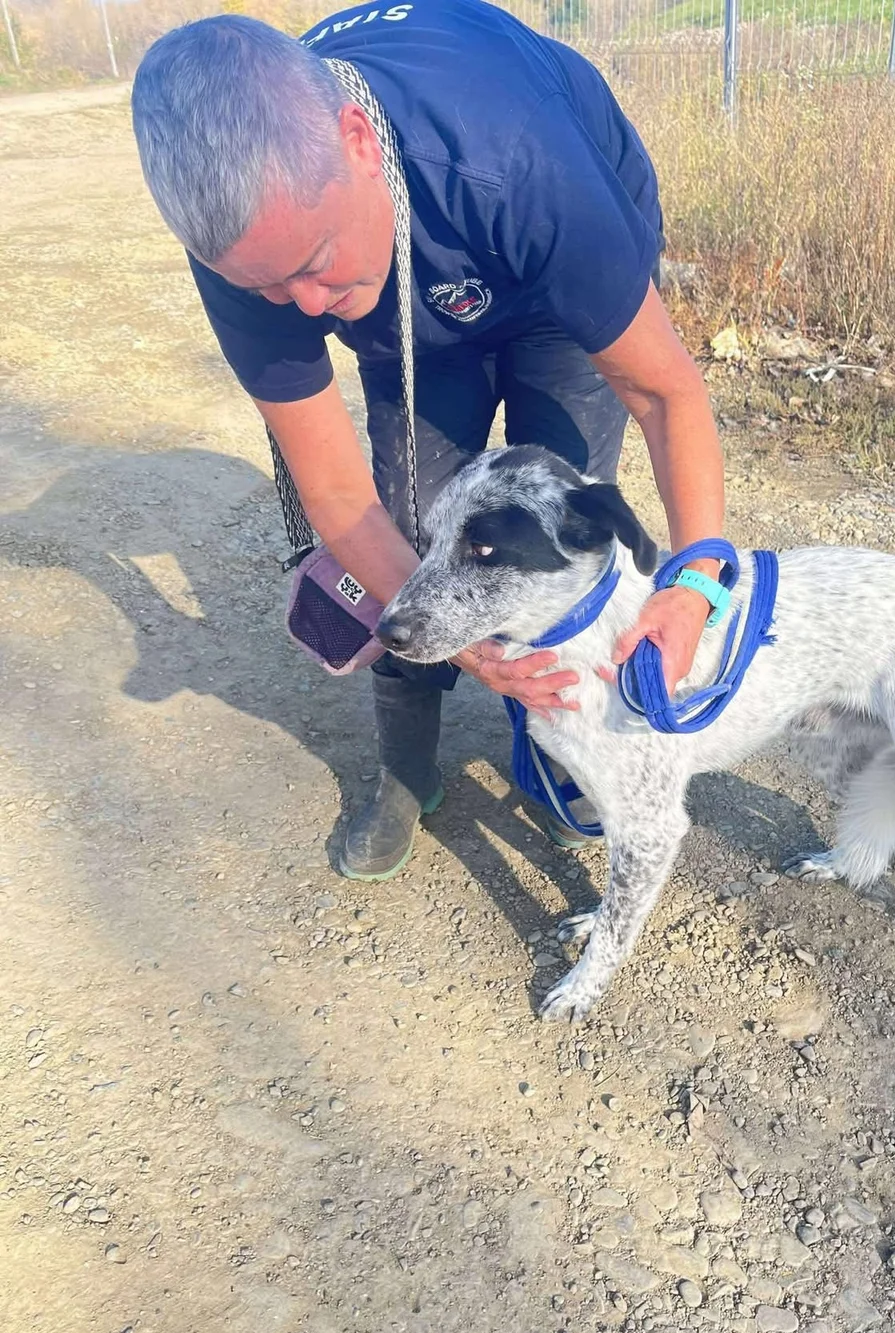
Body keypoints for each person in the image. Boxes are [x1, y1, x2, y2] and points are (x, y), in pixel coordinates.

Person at [130, 0, 727, 881]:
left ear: (358, 144)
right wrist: (465, 644)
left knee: (549, 534)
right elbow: (336, 496)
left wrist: (697, 583)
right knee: (414, 523)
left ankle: (559, 763)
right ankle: (407, 767)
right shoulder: (245, 238)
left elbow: (667, 393)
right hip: (408, 299)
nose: (302, 305)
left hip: (544, 279)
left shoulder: (518, 160)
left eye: (315, 260)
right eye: (267, 286)